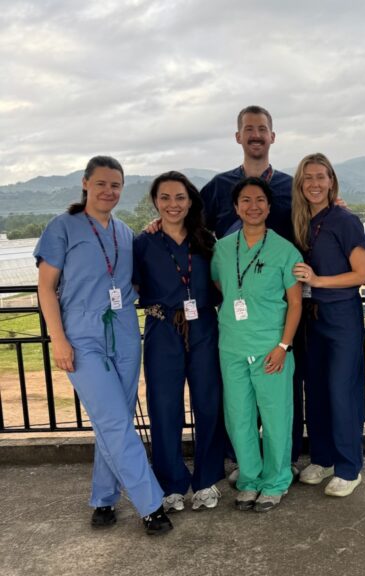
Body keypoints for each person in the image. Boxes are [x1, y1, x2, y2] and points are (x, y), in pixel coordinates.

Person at [35, 156, 172, 535]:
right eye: (101, 184)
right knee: (113, 420)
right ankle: (150, 503)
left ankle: (104, 498)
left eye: (115, 185)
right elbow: (45, 288)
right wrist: (58, 339)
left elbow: (136, 279)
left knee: (115, 422)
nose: (108, 191)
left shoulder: (126, 233)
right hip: (81, 339)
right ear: (85, 184)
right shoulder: (62, 228)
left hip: (126, 334)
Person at [133, 171, 226, 512]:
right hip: (162, 329)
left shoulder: (207, 240)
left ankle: (205, 480)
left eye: (180, 197)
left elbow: (220, 283)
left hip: (204, 326)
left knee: (209, 404)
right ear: (155, 202)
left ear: (190, 201)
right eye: (165, 198)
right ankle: (171, 482)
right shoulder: (143, 243)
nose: (173, 205)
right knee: (164, 407)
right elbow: (135, 285)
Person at [211, 176, 303, 512]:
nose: (253, 207)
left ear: (269, 206)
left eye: (260, 200)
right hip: (232, 347)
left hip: (271, 348)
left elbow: (295, 303)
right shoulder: (222, 248)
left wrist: (283, 345)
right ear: (236, 207)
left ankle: (276, 480)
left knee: (276, 417)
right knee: (239, 417)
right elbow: (221, 284)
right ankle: (249, 479)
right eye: (246, 201)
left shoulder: (284, 249)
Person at [292, 153, 365, 498]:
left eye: (321, 177)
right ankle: (322, 459)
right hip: (309, 318)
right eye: (308, 177)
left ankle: (349, 466)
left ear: (331, 181)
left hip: (340, 317)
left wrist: (319, 282)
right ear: (299, 183)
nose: (314, 183)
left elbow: (362, 274)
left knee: (342, 391)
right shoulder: (297, 221)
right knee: (317, 391)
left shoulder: (345, 220)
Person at [201, 105, 294, 242]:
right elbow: (189, 223)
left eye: (262, 129)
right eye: (249, 129)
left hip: (282, 262)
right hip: (230, 262)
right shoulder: (219, 185)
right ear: (238, 137)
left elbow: (315, 225)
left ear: (272, 137)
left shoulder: (292, 187)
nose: (256, 135)